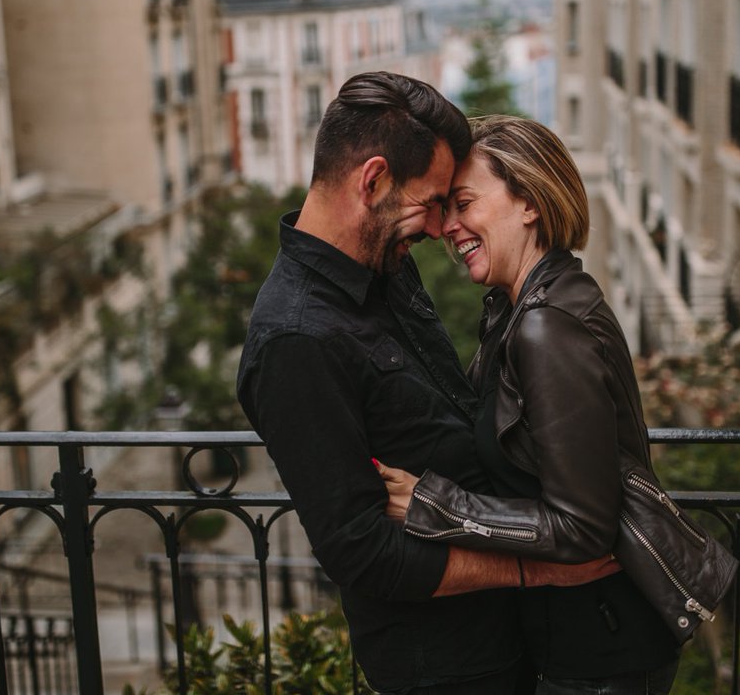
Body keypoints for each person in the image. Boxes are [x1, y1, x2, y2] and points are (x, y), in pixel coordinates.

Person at [236, 72, 618, 695]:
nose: (441, 228)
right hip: (444, 666)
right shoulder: (295, 340)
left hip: (507, 636)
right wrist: (540, 570)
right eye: (434, 201)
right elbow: (361, 553)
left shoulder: (385, 265)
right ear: (374, 180)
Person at [378, 115, 684, 694]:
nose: (448, 226)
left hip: (602, 648)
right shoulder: (519, 308)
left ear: (529, 204)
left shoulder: (547, 327)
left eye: (464, 202)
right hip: (579, 636)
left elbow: (582, 527)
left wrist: (433, 506)